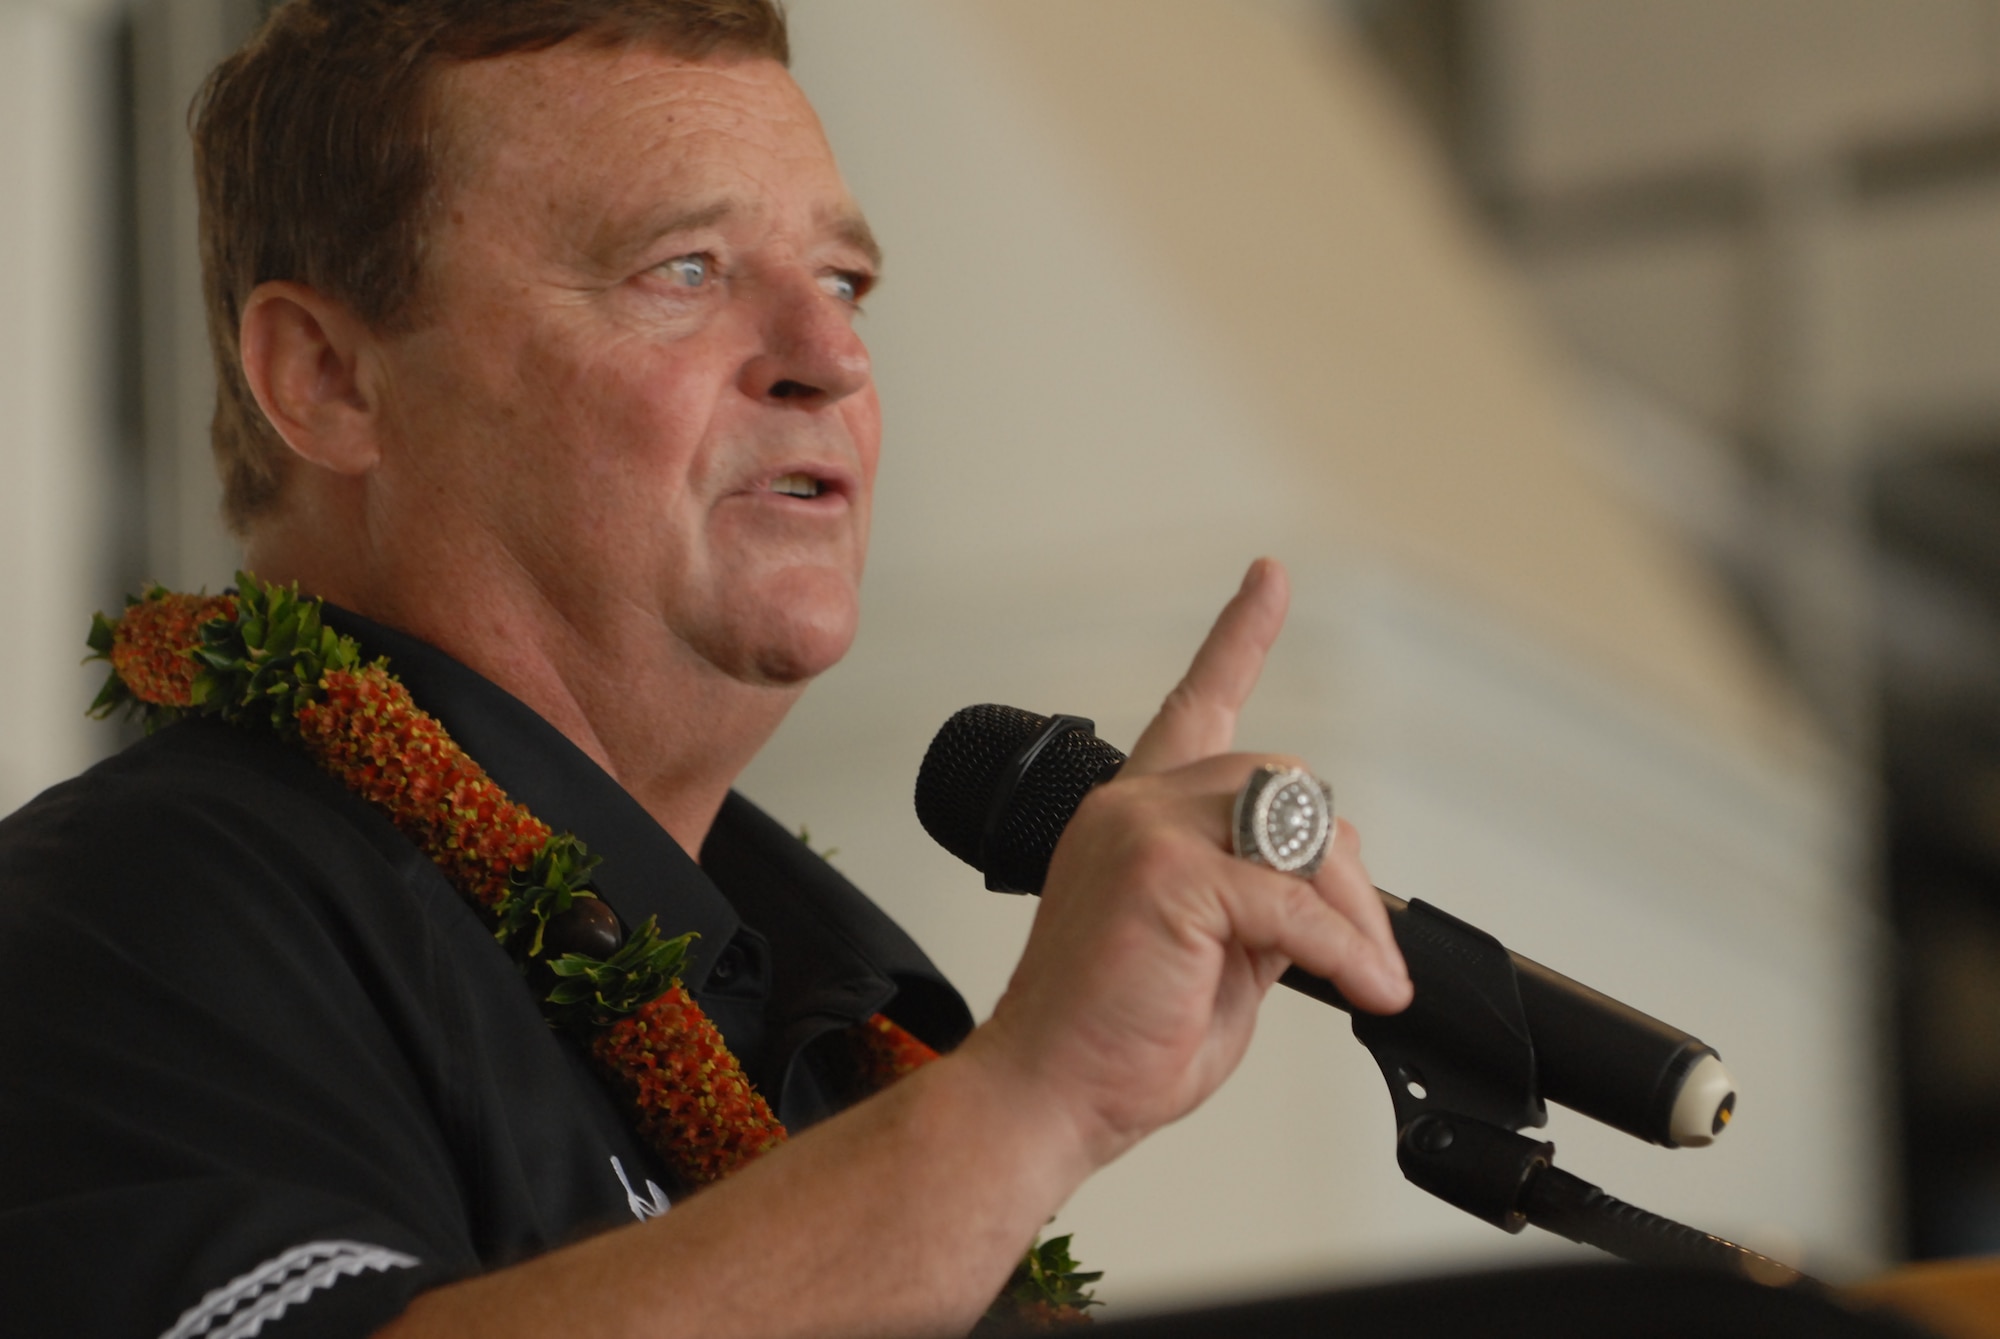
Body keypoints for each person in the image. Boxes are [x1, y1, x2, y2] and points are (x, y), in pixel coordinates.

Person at [0, 2, 1412, 1336]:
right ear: (327, 378)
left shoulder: (842, 1009)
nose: (831, 357)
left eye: (844, 279)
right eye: (682, 269)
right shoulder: (130, 910)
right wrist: (1028, 1105)